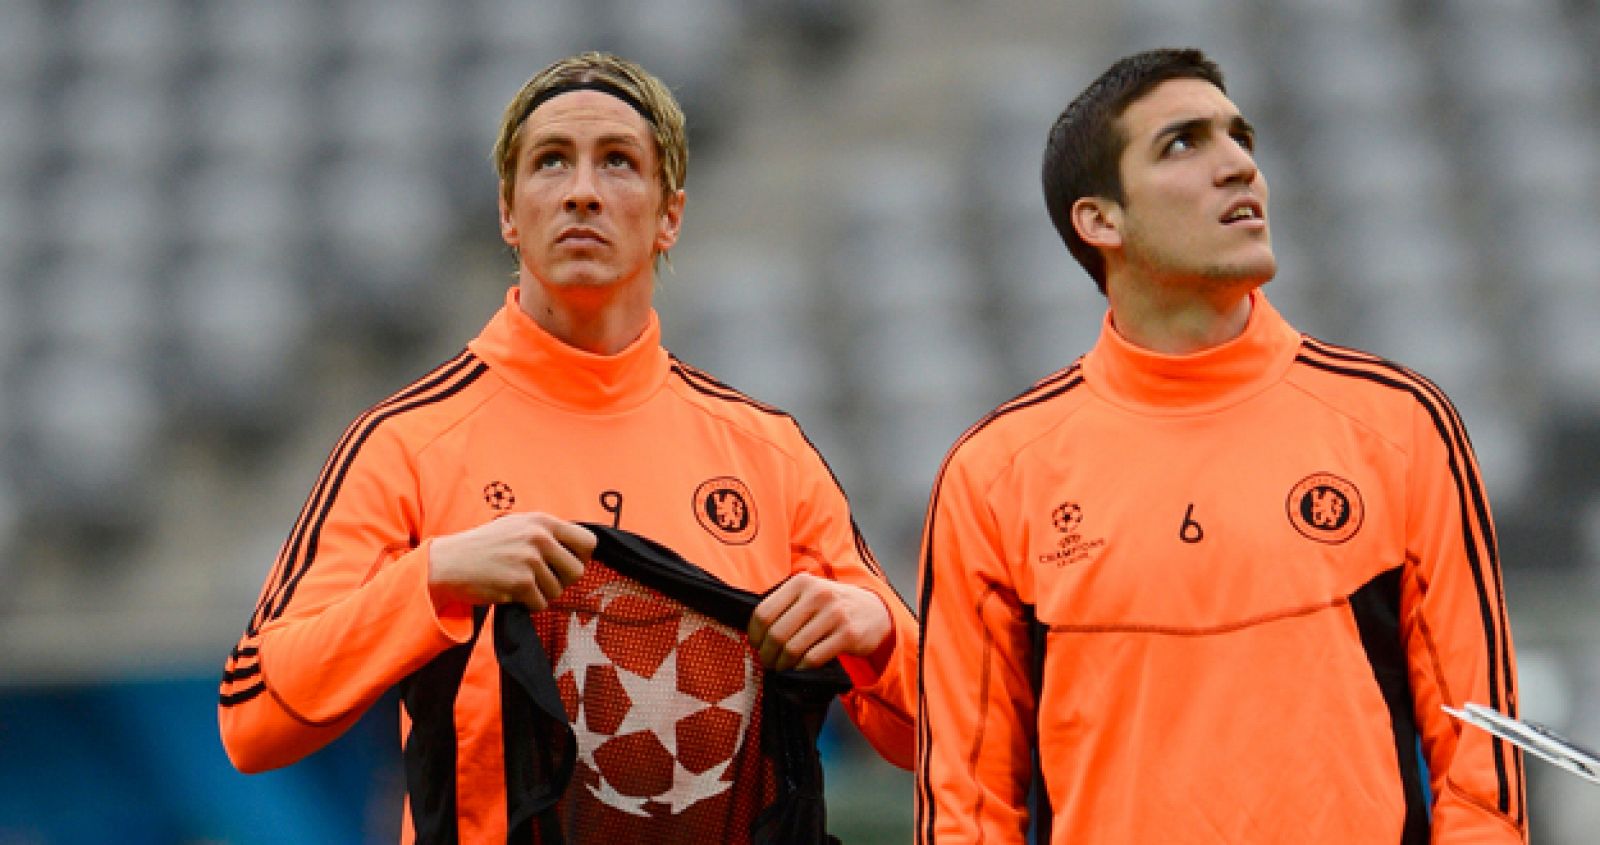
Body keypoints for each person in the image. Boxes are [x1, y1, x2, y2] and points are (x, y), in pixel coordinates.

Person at [219, 51, 916, 842]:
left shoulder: (769, 454)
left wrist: (879, 634)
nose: (583, 189)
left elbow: (936, 732)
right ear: (510, 214)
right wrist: (433, 576)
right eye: (552, 161)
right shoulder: (405, 442)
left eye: (618, 162)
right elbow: (252, 720)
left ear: (669, 216)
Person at [914, 47, 1526, 843]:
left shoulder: (1400, 426)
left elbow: (1483, 768)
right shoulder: (997, 474)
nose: (1239, 166)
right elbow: (966, 803)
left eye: (1242, 139)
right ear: (1101, 221)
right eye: (1184, 143)